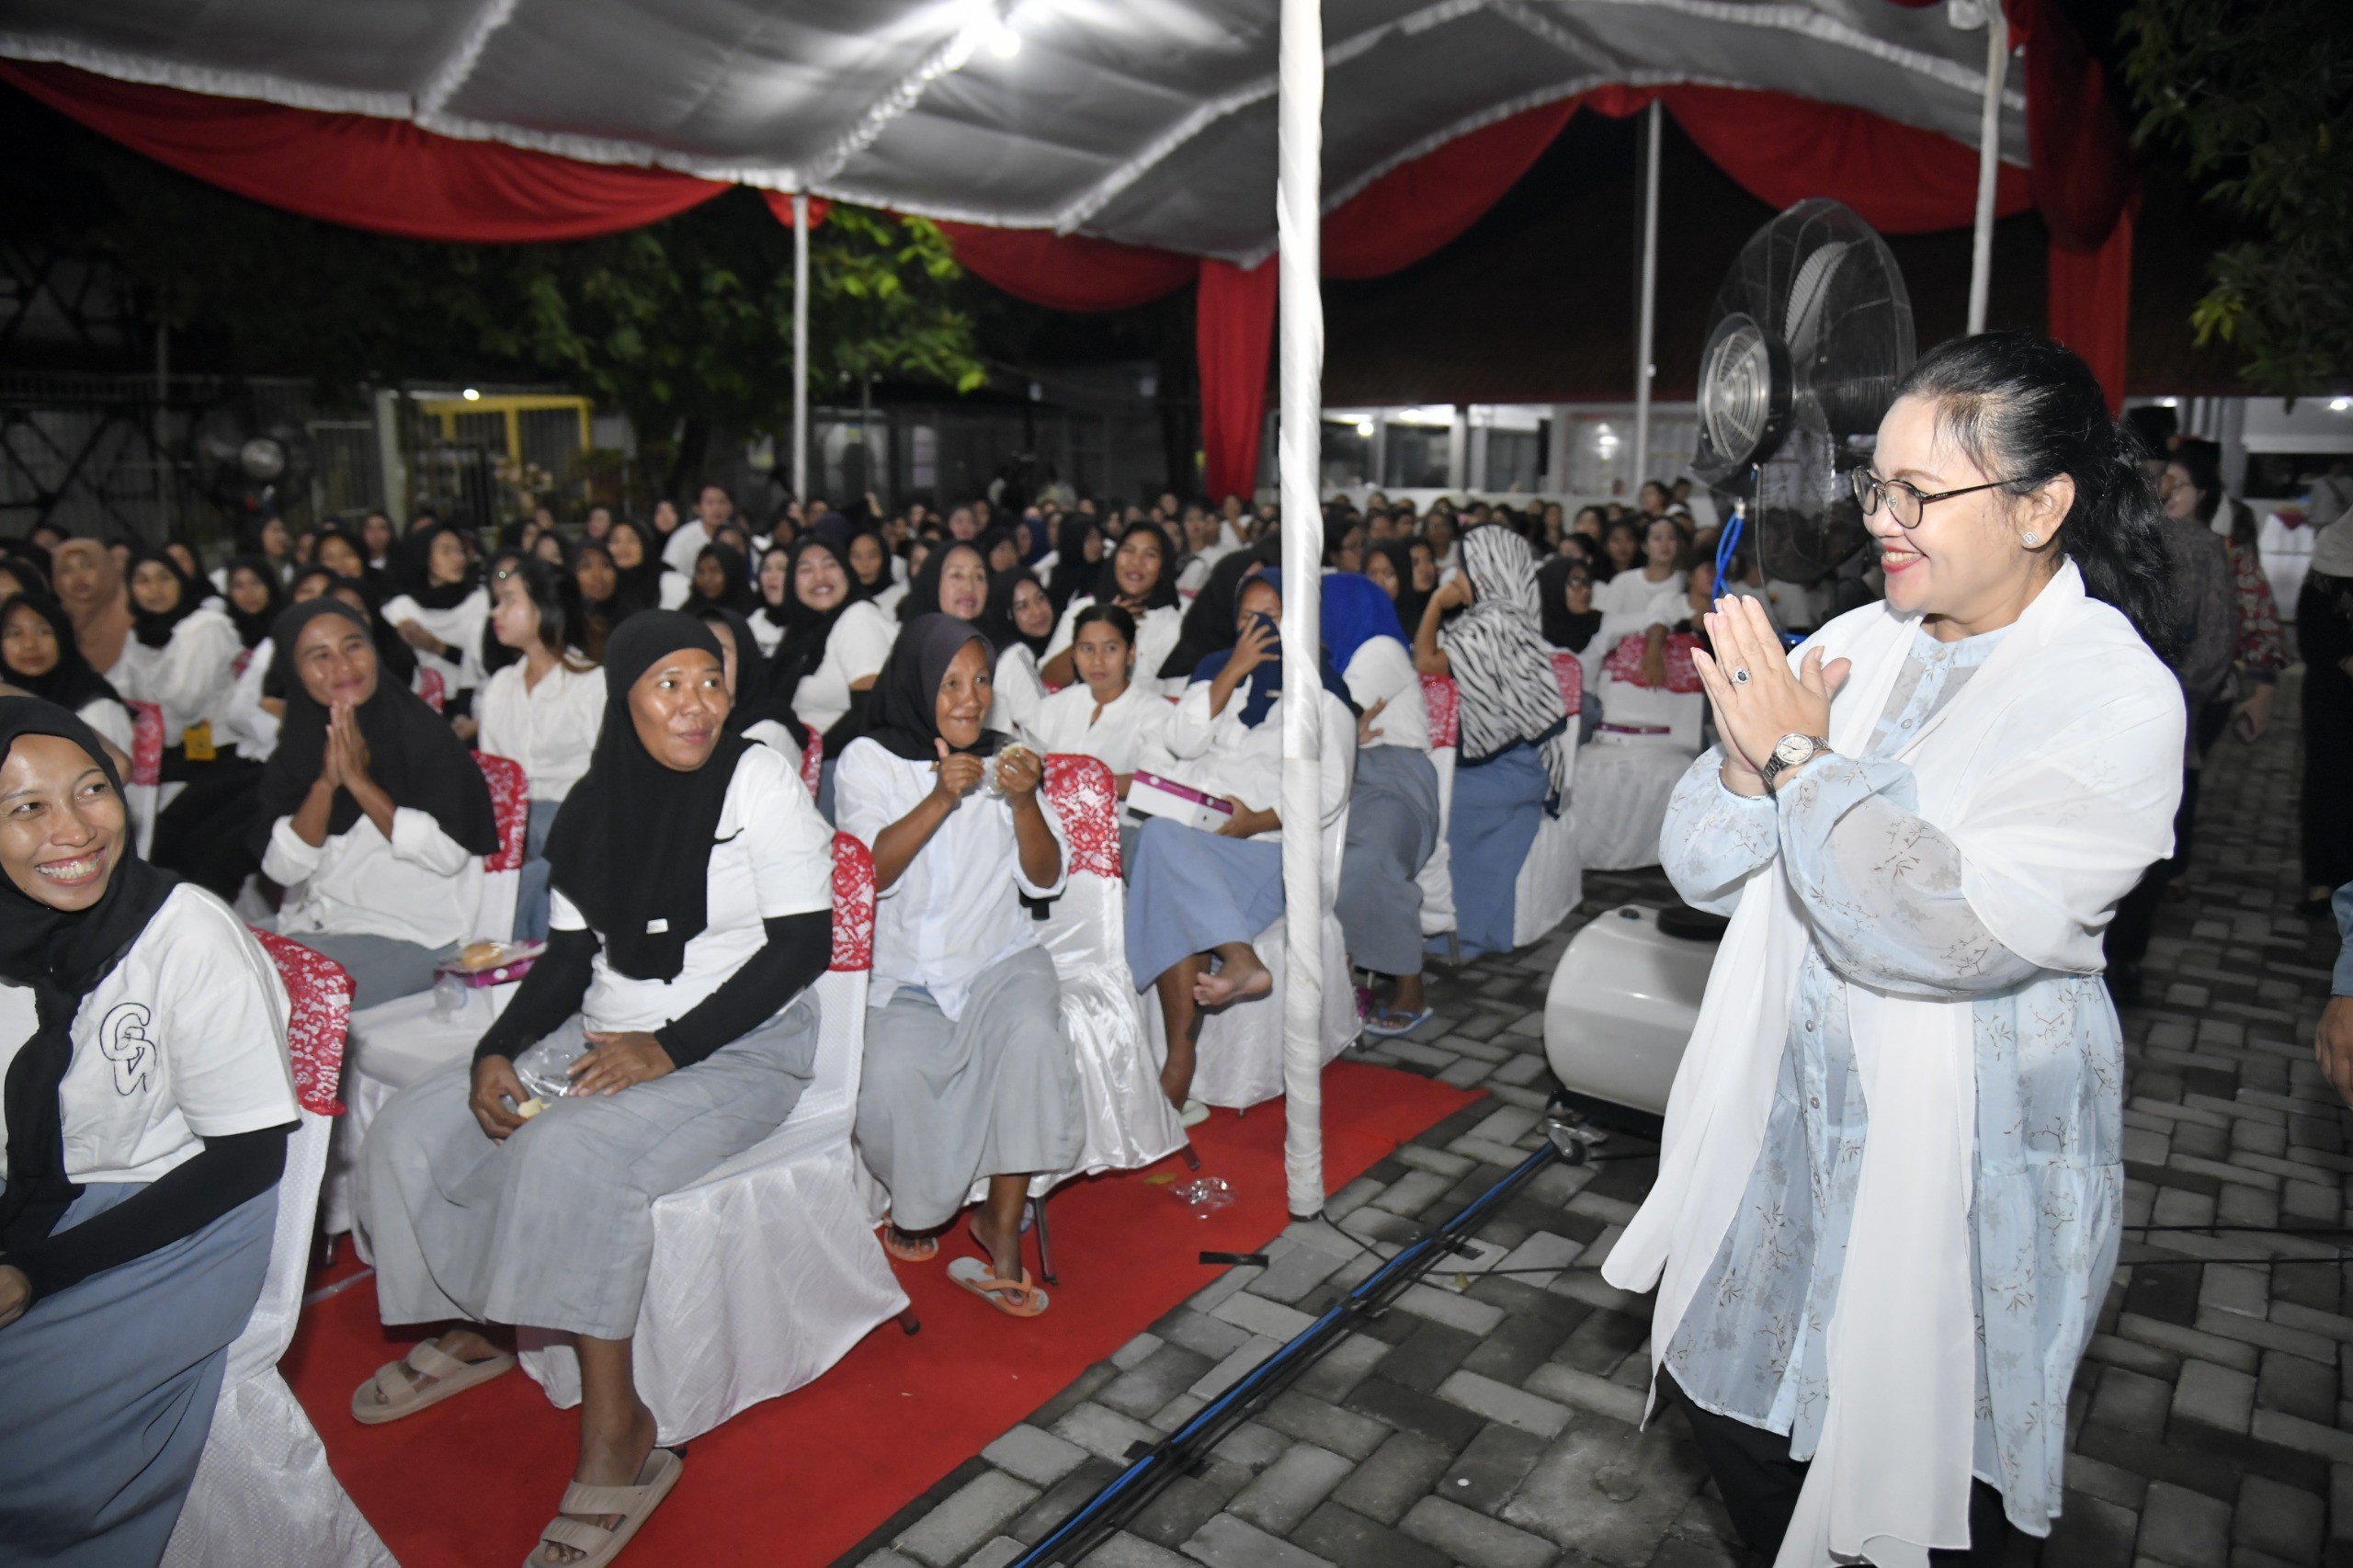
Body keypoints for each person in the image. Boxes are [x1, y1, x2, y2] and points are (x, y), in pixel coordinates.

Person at [1608, 332, 2184, 1566]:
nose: (1884, 517)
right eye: (1878, 484)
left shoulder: (2113, 695)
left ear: (2041, 506)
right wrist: (1741, 756)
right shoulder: (1863, 641)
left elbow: (1945, 929)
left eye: (1921, 492)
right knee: (1738, 1413)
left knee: (1937, 1496)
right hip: (1795, 1127)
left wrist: (1803, 764)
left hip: (1966, 1156)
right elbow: (1704, 863)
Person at [355, 612, 834, 1568]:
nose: (695, 703)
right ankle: (481, 1316)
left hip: (739, 1045)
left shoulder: (759, 780)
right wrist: (500, 1044)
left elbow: (801, 946)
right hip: (608, 1028)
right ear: (625, 697)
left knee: (565, 1150)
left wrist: (672, 1044)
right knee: (417, 1123)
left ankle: (620, 1432)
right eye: (669, 683)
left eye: (710, 679)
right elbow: (570, 956)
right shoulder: (594, 800)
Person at [0, 699, 299, 1568]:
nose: (73, 829)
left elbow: (247, 1159)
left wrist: (34, 1272)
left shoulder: (186, 935)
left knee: (23, 1444)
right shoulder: (17, 937)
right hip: (47, 1194)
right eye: (27, 807)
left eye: (91, 789)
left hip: (182, 1213)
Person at [835, 615, 1082, 1317]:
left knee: (1031, 1037)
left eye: (980, 681)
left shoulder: (1011, 760)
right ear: (916, 684)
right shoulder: (870, 760)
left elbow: (1046, 878)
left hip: (998, 959)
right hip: (906, 974)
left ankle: (1000, 1229)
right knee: (884, 1080)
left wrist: (1026, 799)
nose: (970, 699)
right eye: (949, 684)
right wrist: (942, 796)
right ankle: (922, 1203)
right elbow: (868, 874)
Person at [1127, 572, 1356, 1114]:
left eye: (1273, 616)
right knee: (1160, 845)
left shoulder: (1323, 689)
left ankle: (1179, 1065)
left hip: (1271, 852)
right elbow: (1181, 742)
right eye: (1248, 618)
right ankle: (1232, 973)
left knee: (1160, 854)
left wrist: (1258, 820)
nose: (1260, 628)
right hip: (1198, 842)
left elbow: (1331, 791)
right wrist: (1231, 671)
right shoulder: (1213, 672)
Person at [255, 600, 501, 1005]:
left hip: (415, 932)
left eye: (353, 646)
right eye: (320, 656)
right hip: (319, 922)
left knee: (276, 1002)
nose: (342, 665)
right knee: (209, 964)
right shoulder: (298, 748)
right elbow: (283, 869)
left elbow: (448, 855)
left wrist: (362, 784)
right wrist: (326, 784)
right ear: (294, 671)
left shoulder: (423, 736)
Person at [2100, 443, 2236, 1001]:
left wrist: (2166, 700)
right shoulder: (2096, 543)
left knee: (2149, 844)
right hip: (2098, 715)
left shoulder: (2201, 547)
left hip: (2168, 711)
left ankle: (2127, 957)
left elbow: (2217, 636)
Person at [1410, 526, 1572, 959]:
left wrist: (1434, 605)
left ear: (1486, 569)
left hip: (1508, 768)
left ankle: (1459, 933)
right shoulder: (1508, 616)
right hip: (1515, 762)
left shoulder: (1493, 622)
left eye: (1462, 568)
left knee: (1437, 806)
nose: (1454, 576)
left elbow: (1425, 661)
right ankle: (1458, 928)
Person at [1324, 574, 1439, 1037]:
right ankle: (1339, 972)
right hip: (1337, 771)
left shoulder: (1380, 649)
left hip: (1394, 781)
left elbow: (1336, 716)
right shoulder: (1324, 656)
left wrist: (1347, 731)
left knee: (1370, 858)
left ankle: (1409, 985)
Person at [475, 560, 607, 944]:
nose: (495, 613)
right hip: (515, 825)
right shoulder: (502, 684)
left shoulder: (590, 682)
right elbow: (493, 779)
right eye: (496, 602)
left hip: (576, 821)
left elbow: (605, 778)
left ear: (545, 608)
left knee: (529, 884)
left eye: (508, 601)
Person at [773, 536, 899, 817]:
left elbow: (870, 710)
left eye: (829, 565)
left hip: (840, 771)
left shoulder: (858, 618)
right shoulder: (802, 632)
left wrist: (812, 759)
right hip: (807, 769)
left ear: (846, 571)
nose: (819, 577)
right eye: (805, 570)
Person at [1024, 605, 1172, 792]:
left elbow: (1155, 783)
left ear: (1130, 653)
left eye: (1110, 649)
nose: (1098, 661)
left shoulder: (1157, 713)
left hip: (1119, 819)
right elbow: (1025, 762)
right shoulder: (1052, 707)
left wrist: (1084, 783)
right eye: (1087, 649)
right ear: (1074, 654)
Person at [1040, 523, 1183, 691]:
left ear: (1163, 569)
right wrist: (1105, 625)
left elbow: (1177, 700)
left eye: (1150, 555)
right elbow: (1048, 679)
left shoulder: (1176, 626)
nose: (1136, 562)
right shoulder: (1082, 609)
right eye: (1128, 551)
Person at [0, 593, 136, 758]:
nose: (29, 644)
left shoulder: (97, 707)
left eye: (43, 632)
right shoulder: (7, 701)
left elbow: (118, 774)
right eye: (14, 634)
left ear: (63, 636)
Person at [2298, 515, 2353, 916]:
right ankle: (2322, 883)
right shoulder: (2330, 562)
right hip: (2333, 694)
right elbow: (2312, 631)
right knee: (2328, 784)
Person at [380, 521, 491, 708]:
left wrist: (437, 646)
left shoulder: (480, 600)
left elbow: (488, 660)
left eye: (460, 551)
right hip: (417, 706)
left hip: (472, 703)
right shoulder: (401, 608)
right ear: (424, 556)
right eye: (446, 551)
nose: (457, 559)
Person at [51, 539, 148, 699]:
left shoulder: (136, 615)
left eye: (88, 566)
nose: (78, 577)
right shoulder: (54, 624)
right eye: (66, 570)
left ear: (106, 568)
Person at [980, 566, 1054, 739]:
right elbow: (1043, 727)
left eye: (1040, 598)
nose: (1037, 612)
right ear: (1006, 614)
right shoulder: (1014, 654)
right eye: (1022, 607)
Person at [604, 518, 688, 619]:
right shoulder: (601, 587)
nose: (623, 547)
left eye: (632, 540)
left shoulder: (673, 583)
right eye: (615, 541)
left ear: (645, 545)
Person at [688, 542, 756, 618]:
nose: (706, 579)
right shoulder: (688, 614)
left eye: (715, 571)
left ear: (731, 573)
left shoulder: (754, 617)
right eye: (700, 571)